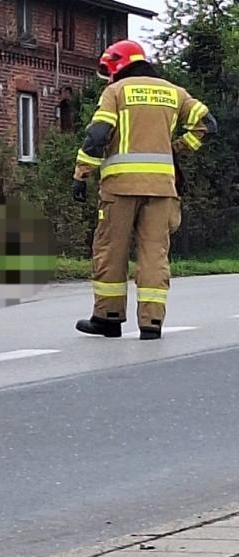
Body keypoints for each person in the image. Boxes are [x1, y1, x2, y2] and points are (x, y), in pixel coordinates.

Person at [72, 39, 217, 339]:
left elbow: (98, 135)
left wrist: (81, 174)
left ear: (117, 66)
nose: (107, 77)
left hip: (120, 189)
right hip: (162, 189)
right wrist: (177, 148)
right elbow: (207, 125)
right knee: (154, 254)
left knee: (111, 251)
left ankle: (108, 318)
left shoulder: (116, 92)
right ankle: (151, 323)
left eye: (107, 70)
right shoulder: (174, 92)